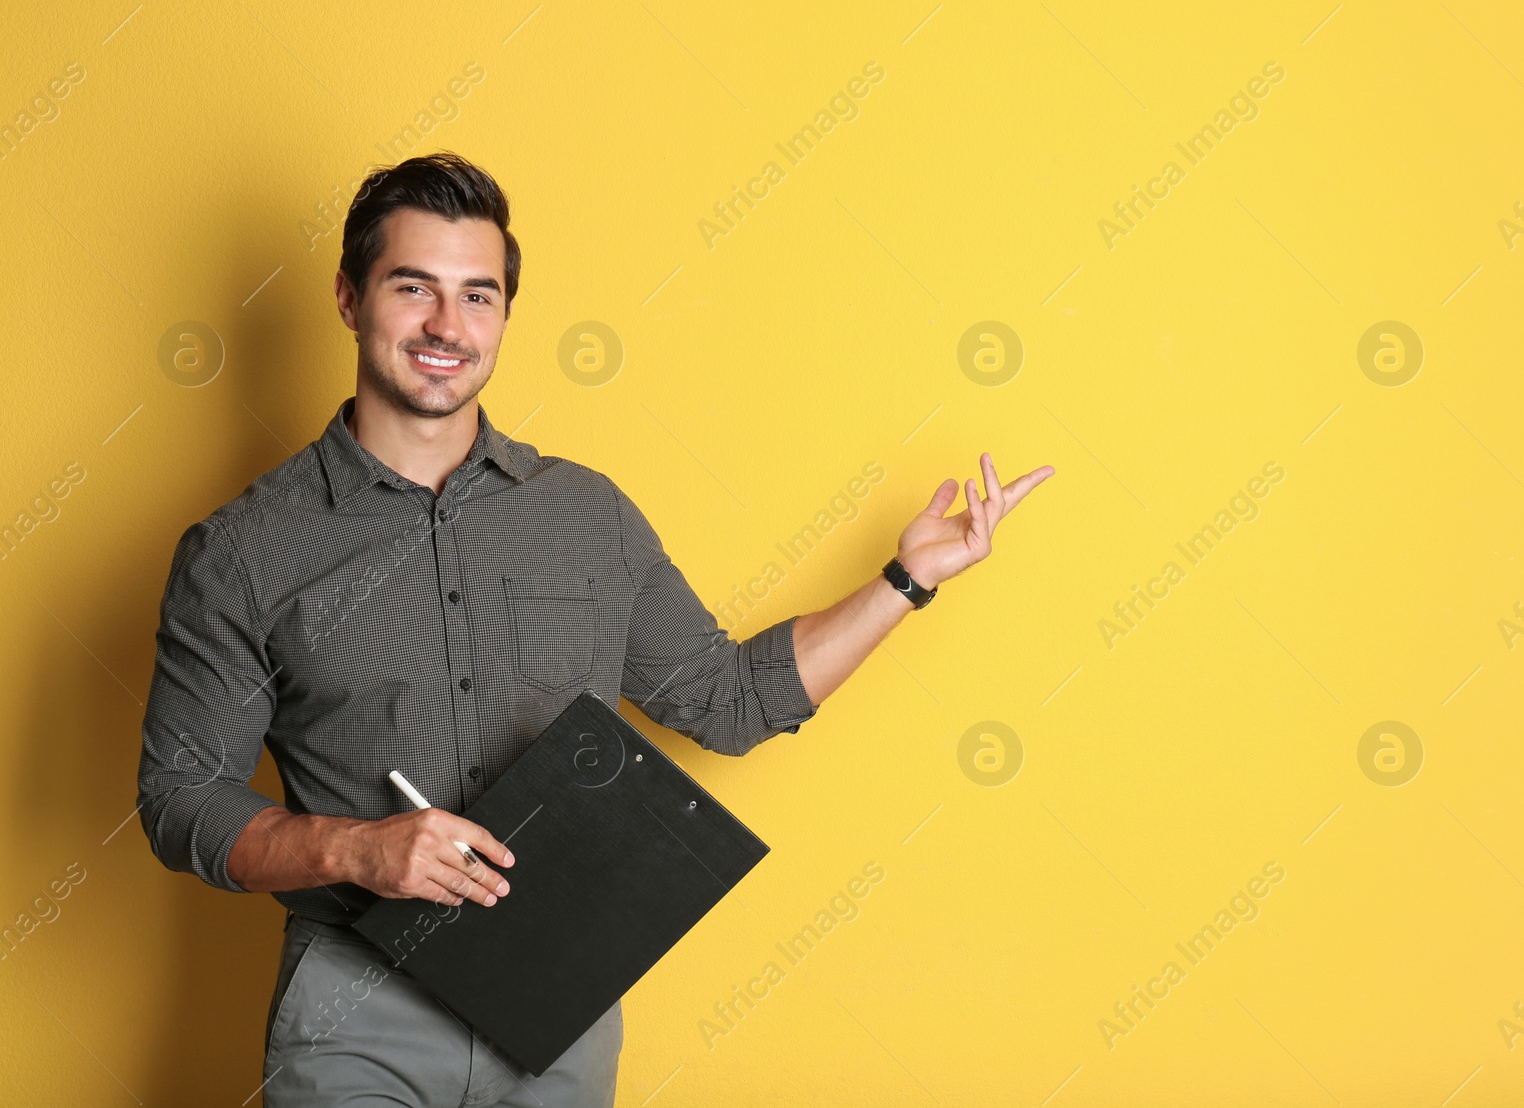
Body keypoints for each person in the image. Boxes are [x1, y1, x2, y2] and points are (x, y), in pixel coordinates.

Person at [134, 151, 1052, 1107]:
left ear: (503, 316)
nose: (448, 326)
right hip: (357, 1008)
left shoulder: (588, 514)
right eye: (414, 288)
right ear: (348, 298)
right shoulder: (245, 550)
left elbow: (730, 703)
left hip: (561, 1015)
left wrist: (905, 581)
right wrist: (357, 851)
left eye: (478, 296)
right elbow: (180, 798)